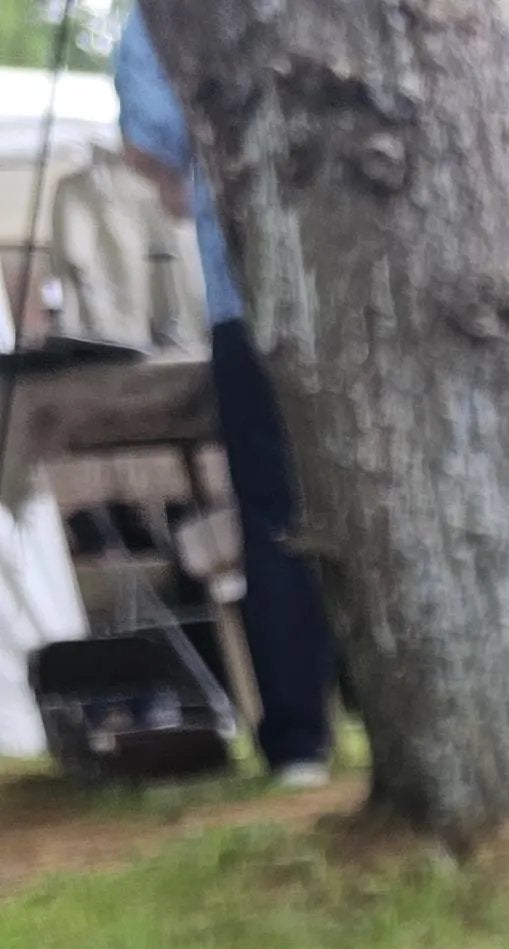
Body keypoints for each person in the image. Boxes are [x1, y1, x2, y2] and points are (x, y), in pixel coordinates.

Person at [112, 9, 335, 788]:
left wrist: (197, 186)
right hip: (373, 293)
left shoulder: (159, 16)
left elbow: (147, 146)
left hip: (250, 292)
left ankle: (301, 741)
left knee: (275, 516)